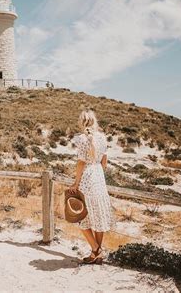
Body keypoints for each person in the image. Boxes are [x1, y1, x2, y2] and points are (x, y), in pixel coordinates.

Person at [69, 110, 113, 264]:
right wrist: (99, 173)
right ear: (95, 121)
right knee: (98, 217)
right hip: (99, 176)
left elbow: (81, 162)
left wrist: (76, 182)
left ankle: (96, 250)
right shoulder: (102, 138)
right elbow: (104, 161)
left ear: (82, 122)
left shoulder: (81, 139)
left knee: (82, 218)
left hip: (87, 177)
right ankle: (97, 255)